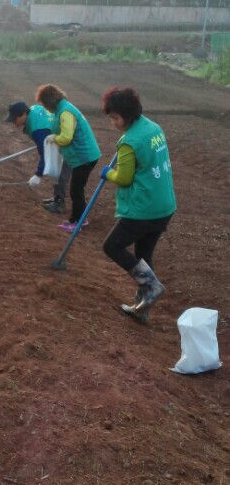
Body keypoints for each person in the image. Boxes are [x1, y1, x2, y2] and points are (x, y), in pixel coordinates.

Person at [100, 86, 177, 322]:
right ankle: (142, 308)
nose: (113, 123)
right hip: (164, 205)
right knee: (144, 255)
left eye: (115, 117)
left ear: (127, 115)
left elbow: (123, 178)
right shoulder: (154, 128)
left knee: (111, 247)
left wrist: (107, 173)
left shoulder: (129, 142)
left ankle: (151, 288)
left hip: (144, 208)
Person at [35, 84, 101, 232]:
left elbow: (66, 138)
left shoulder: (65, 112)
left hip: (84, 156)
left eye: (44, 104)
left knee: (76, 190)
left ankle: (78, 221)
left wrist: (54, 138)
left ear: (49, 101)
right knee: (77, 189)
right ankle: (77, 219)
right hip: (83, 155)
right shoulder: (63, 108)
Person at [5, 100, 71, 205]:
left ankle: (59, 203)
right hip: (59, 138)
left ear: (23, 114)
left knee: (61, 173)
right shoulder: (33, 109)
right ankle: (56, 198)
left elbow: (45, 153)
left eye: (14, 119)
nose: (13, 122)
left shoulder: (38, 129)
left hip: (69, 142)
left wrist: (38, 175)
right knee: (57, 170)